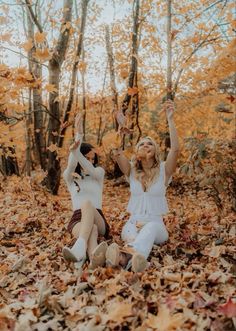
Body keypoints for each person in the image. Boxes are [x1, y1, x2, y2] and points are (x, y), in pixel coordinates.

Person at [107, 100, 180, 272]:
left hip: (156, 226)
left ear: (155, 150)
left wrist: (170, 119)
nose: (145, 145)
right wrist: (121, 128)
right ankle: (133, 260)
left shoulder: (164, 170)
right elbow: (116, 151)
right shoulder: (131, 170)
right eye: (141, 144)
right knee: (133, 235)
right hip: (133, 222)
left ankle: (124, 257)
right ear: (137, 151)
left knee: (150, 228)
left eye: (149, 143)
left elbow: (175, 149)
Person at [62, 112, 110, 269]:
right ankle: (91, 259)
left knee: (88, 204)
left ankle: (80, 245)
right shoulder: (70, 177)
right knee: (92, 229)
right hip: (77, 219)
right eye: (86, 158)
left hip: (98, 216)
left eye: (92, 159)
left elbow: (90, 168)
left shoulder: (98, 173)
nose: (90, 162)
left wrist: (77, 149)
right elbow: (71, 165)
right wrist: (78, 136)